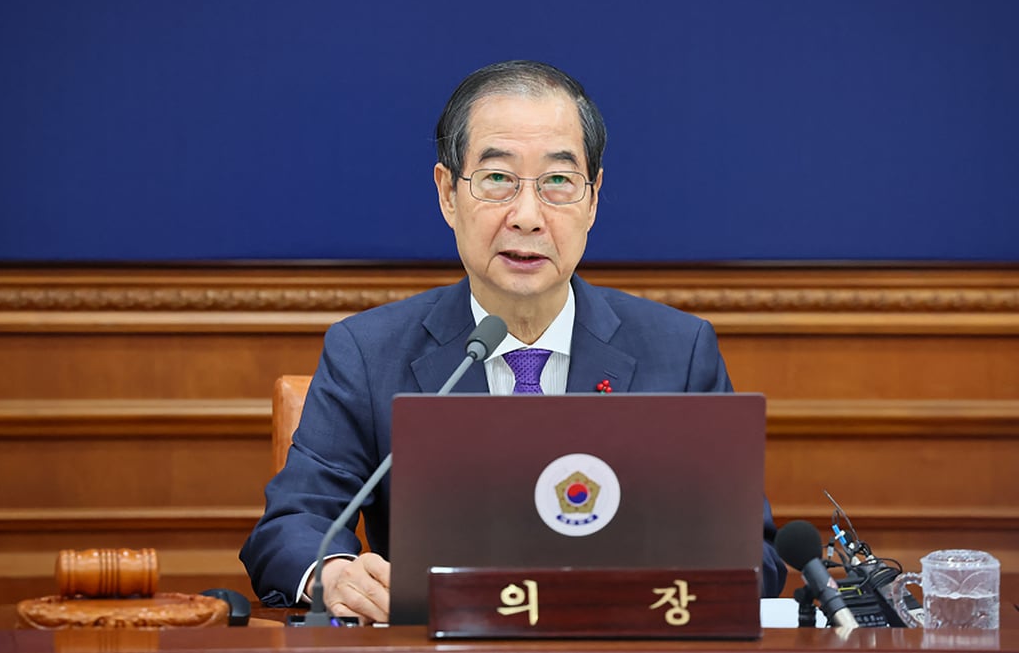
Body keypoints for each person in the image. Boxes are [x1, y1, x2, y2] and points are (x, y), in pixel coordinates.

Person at [240, 60, 787, 623]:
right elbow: (290, 528)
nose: (527, 217)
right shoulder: (368, 351)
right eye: (497, 178)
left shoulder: (679, 351)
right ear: (448, 193)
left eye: (557, 181)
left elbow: (755, 555)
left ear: (593, 198)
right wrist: (335, 575)